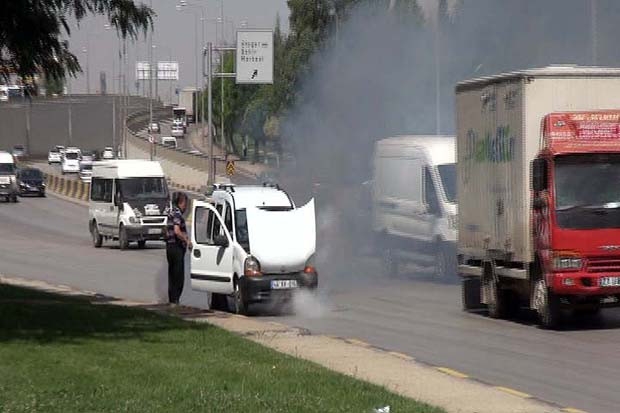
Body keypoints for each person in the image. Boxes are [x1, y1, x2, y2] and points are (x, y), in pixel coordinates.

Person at [166, 191, 192, 305]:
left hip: (169, 247)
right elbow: (177, 231)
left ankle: (172, 299)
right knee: (178, 276)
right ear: (181, 202)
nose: (186, 206)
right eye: (185, 203)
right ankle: (175, 300)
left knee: (172, 275)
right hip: (176, 248)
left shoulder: (170, 212)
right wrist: (186, 240)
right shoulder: (177, 213)